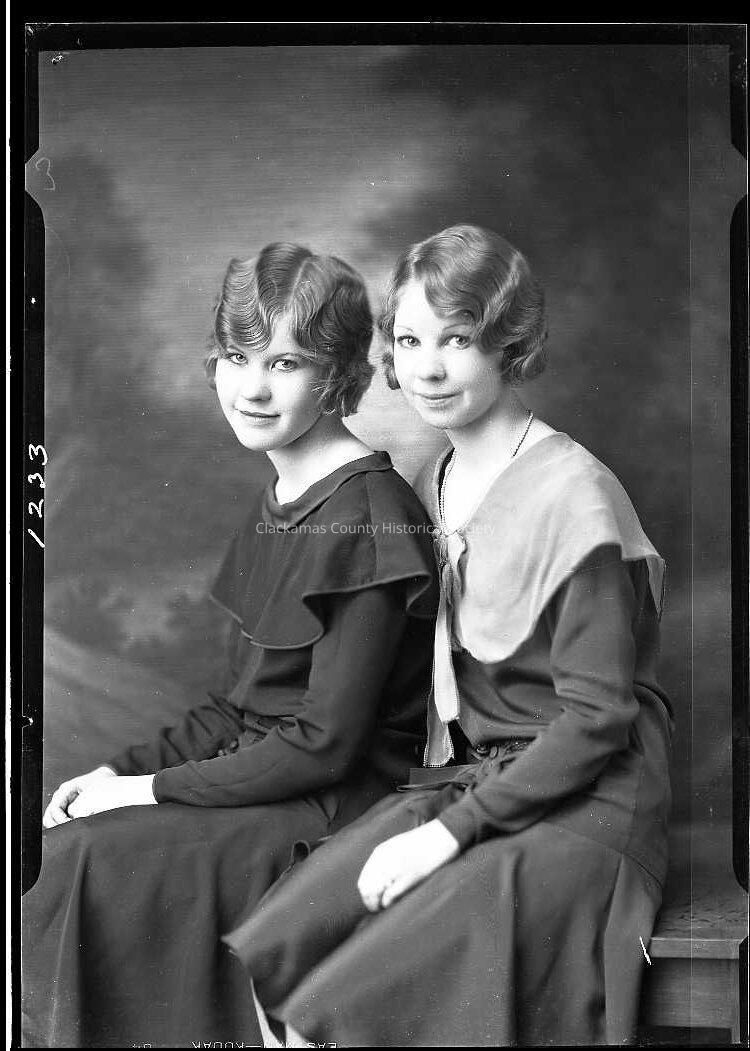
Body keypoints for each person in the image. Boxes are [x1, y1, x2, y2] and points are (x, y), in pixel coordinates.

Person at [225, 224, 674, 1047]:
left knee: (360, 992)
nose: (427, 368)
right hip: (474, 777)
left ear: (510, 344)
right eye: (409, 340)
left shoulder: (574, 493)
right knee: (281, 940)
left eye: (458, 340)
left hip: (588, 799)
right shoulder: (434, 479)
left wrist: (445, 833)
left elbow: (597, 720)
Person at [22, 243, 439, 1049]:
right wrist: (117, 772)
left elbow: (325, 744)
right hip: (267, 785)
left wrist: (147, 791)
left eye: (286, 362)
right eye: (237, 357)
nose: (252, 387)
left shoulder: (368, 511)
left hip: (330, 810)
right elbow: (236, 705)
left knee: (76, 867)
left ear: (336, 374)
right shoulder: (280, 499)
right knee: (52, 856)